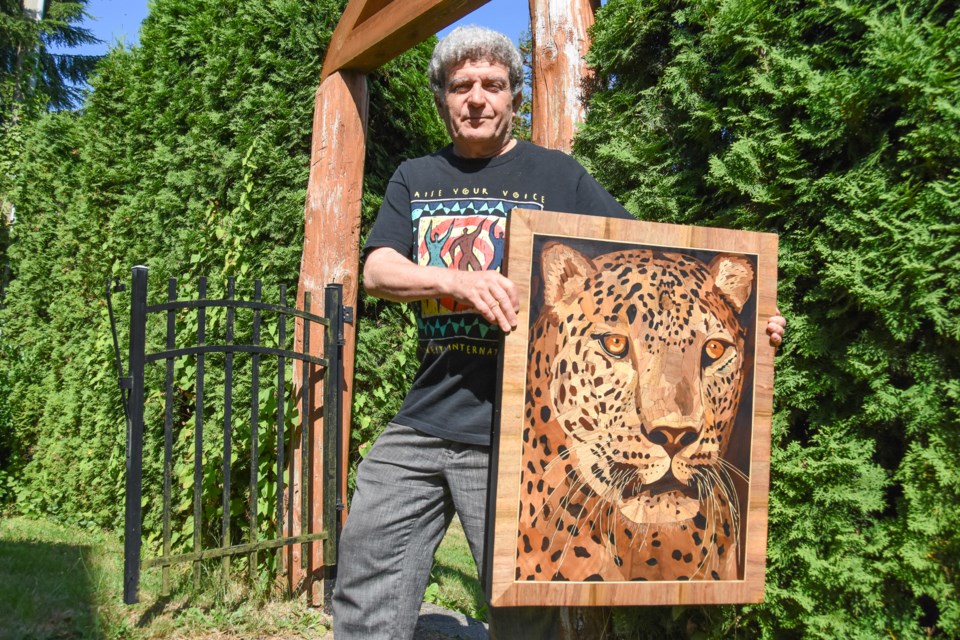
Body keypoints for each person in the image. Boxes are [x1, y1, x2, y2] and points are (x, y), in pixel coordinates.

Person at [332, 25, 786, 640]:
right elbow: (378, 269)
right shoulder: (416, 177)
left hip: (515, 432)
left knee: (528, 614)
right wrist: (461, 282)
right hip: (425, 417)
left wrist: (750, 323)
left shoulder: (556, 174)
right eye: (462, 86)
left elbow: (653, 257)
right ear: (443, 97)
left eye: (492, 85)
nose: (476, 99)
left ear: (513, 96)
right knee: (365, 573)